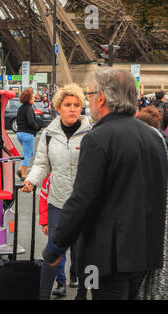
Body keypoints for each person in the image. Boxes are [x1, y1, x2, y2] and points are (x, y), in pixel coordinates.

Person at [42, 68, 167, 300]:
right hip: (145, 252)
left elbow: (82, 199)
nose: (88, 102)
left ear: (101, 97)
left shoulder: (98, 138)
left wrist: (56, 246)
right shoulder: (154, 137)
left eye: (89, 95)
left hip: (107, 256)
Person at [21, 83, 91, 300]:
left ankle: (85, 294)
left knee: (88, 256)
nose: (72, 109)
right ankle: (43, 296)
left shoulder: (92, 132)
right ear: (58, 107)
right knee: (53, 251)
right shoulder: (49, 133)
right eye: (67, 104)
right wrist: (31, 180)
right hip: (58, 202)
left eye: (77, 105)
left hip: (86, 204)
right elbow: (42, 163)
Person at [16, 88, 39, 181]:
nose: (34, 98)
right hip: (27, 134)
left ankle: (20, 169)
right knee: (27, 154)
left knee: (29, 152)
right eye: (33, 97)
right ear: (29, 98)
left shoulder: (21, 108)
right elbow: (30, 122)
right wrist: (37, 128)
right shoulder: (29, 108)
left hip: (20, 133)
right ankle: (24, 174)